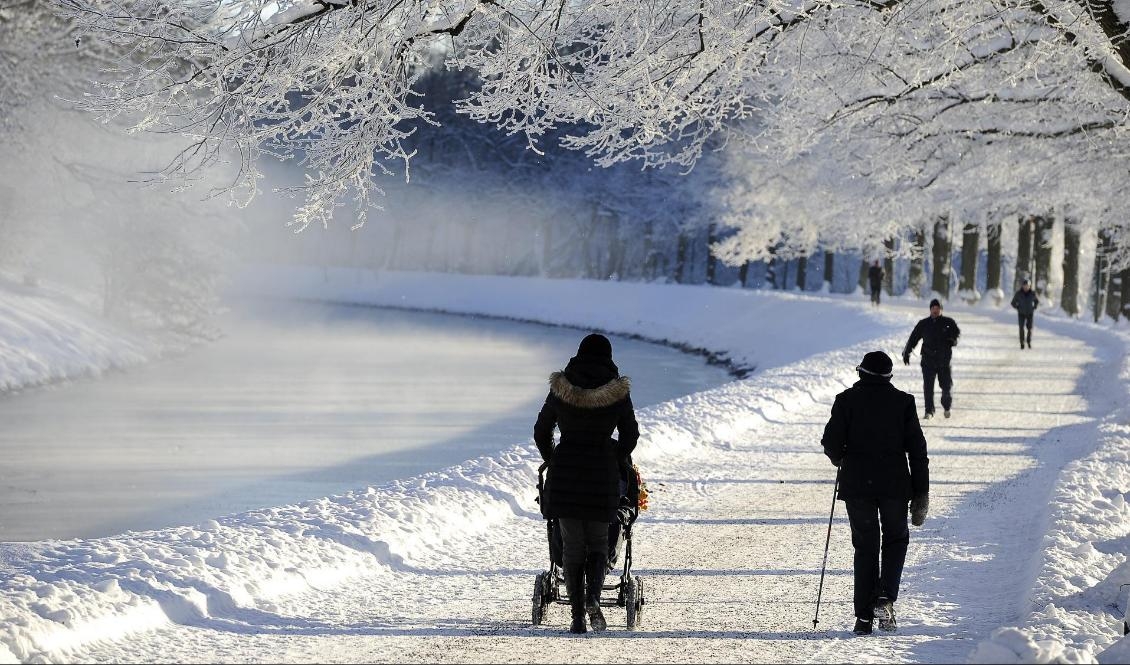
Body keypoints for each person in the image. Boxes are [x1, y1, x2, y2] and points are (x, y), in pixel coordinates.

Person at [534, 333, 640, 634]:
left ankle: (578, 617)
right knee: (597, 542)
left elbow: (541, 431)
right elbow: (630, 435)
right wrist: (614, 456)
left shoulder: (561, 388)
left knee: (571, 547)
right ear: (608, 357)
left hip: (565, 469)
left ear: (578, 355)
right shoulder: (618, 392)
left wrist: (553, 457)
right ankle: (593, 597)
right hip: (602, 473)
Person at [821, 351, 930, 636]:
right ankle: (885, 599)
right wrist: (921, 493)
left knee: (865, 545)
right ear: (889, 377)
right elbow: (918, 451)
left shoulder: (845, 401)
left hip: (857, 486)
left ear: (861, 373)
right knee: (895, 539)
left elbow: (831, 443)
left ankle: (864, 618)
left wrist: (840, 457)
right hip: (895, 486)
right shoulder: (903, 402)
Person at [902, 299, 961, 419]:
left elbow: (956, 335)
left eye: (937, 308)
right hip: (928, 360)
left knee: (946, 387)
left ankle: (946, 406)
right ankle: (929, 411)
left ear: (941, 309)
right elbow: (913, 338)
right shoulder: (923, 324)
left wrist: (953, 340)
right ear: (930, 309)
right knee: (928, 387)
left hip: (944, 361)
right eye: (933, 308)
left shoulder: (948, 322)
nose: (935, 310)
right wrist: (906, 352)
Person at [1011, 279, 1039, 349]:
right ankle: (1022, 343)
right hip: (1021, 313)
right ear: (1022, 286)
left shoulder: (1032, 293)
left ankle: (1029, 342)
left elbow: (1037, 301)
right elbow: (1013, 303)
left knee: (1030, 328)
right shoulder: (1018, 293)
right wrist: (1017, 307)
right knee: (1021, 328)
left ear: (1029, 286)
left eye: (1027, 286)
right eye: (1024, 286)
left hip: (1030, 313)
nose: (1026, 287)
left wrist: (1034, 307)